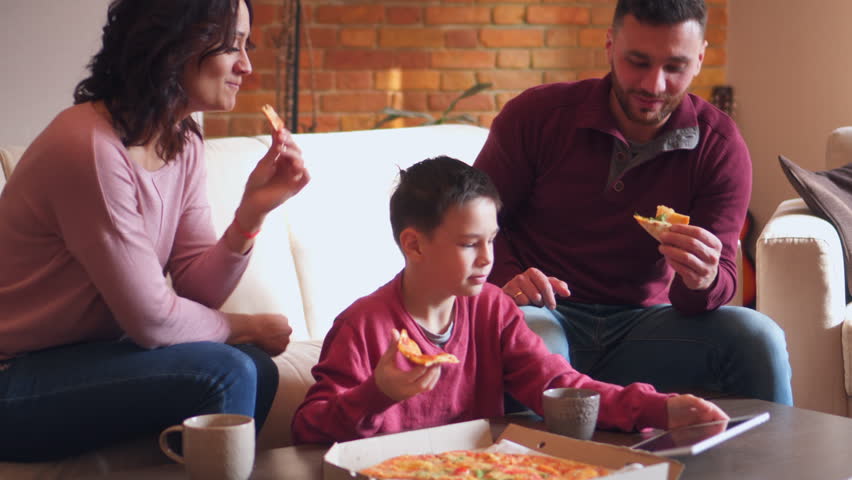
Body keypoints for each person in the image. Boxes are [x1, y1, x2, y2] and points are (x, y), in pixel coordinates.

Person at [0, 0, 309, 462]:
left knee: (255, 369)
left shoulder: (181, 141)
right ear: (176, 44)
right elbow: (152, 320)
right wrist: (242, 327)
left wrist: (252, 213)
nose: (245, 65)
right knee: (228, 371)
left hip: (88, 357)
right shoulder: (90, 147)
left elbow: (197, 289)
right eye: (233, 45)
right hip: (14, 376)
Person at [473, 0, 792, 405]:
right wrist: (509, 277)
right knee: (535, 344)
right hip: (542, 309)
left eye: (674, 67)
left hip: (649, 325)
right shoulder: (537, 116)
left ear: (699, 60)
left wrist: (704, 277)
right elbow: (470, 223)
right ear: (609, 46)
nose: (653, 85)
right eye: (637, 62)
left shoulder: (720, 146)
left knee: (759, 337)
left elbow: (722, 280)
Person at [291, 156, 727, 444]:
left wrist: (659, 409)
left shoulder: (492, 309)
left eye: (492, 241)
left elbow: (558, 387)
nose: (487, 259)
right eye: (468, 244)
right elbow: (307, 429)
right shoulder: (363, 326)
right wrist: (376, 394)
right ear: (414, 245)